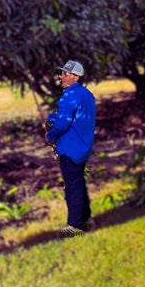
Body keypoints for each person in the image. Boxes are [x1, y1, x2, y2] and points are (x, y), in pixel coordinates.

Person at [38, 60, 96, 236]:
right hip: (83, 147)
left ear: (75, 77)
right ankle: (86, 219)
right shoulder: (87, 94)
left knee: (72, 187)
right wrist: (48, 117)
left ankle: (74, 226)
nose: (61, 77)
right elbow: (73, 118)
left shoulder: (69, 96)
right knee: (79, 182)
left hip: (70, 149)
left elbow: (63, 124)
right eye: (61, 73)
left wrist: (49, 135)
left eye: (65, 74)